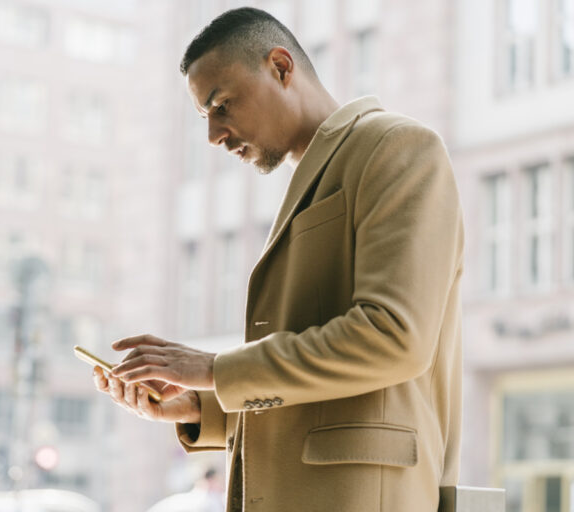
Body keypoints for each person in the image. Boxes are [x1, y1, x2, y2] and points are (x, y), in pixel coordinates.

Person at [92, 7, 463, 512]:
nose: (214, 136)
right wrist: (203, 404)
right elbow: (320, 391)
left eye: (222, 105)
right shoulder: (309, 179)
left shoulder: (397, 147)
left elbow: (393, 336)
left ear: (281, 67)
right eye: (206, 117)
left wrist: (216, 370)